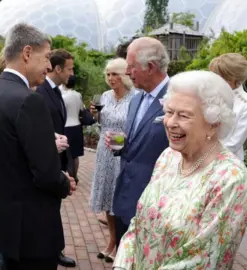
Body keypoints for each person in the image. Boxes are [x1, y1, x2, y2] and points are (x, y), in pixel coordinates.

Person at [113, 70, 247, 269]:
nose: (170, 123)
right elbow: (139, 222)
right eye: (169, 112)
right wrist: (122, 265)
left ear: (213, 124)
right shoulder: (168, 157)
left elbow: (205, 258)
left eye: (183, 115)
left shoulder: (230, 177)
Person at [0, 23, 76, 270]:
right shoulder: (28, 100)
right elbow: (45, 174)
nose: (47, 66)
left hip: (8, 223)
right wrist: (65, 182)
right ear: (27, 53)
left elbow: (13, 153)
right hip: (33, 229)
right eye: (45, 58)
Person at [107, 37, 170, 248]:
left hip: (156, 204)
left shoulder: (178, 98)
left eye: (131, 67)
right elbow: (137, 142)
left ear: (150, 67)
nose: (127, 73)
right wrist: (120, 143)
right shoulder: (136, 98)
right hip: (125, 197)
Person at [89, 58, 136, 263]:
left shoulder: (135, 97)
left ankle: (122, 245)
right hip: (104, 151)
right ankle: (112, 241)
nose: (111, 78)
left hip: (123, 152)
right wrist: (96, 116)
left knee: (121, 199)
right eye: (108, 74)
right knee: (107, 199)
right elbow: (103, 124)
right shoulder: (106, 96)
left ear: (124, 75)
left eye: (115, 74)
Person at [36, 48, 77, 268]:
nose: (72, 73)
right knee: (48, 209)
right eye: (69, 68)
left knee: (54, 208)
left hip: (59, 156)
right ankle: (52, 250)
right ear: (58, 68)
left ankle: (54, 249)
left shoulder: (55, 90)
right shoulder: (41, 91)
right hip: (48, 157)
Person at [209, 53, 247, 160]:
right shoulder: (209, 93)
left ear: (232, 78)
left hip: (226, 163)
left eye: (218, 76)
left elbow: (234, 143)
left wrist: (206, 156)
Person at [59, 75, 84, 179]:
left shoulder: (63, 97)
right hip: (77, 126)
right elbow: (81, 109)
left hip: (67, 126)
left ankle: (69, 176)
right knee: (75, 154)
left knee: (67, 154)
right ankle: (75, 175)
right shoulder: (78, 95)